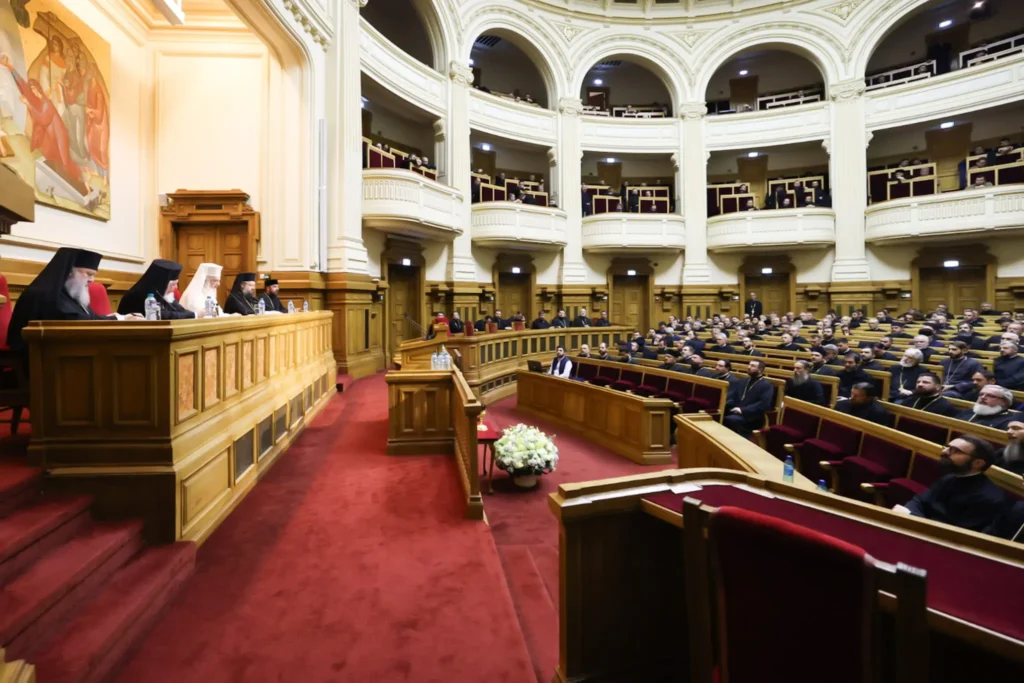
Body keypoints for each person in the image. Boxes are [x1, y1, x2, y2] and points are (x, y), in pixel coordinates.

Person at [8, 247, 141, 352]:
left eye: (93, 275)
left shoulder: (69, 292)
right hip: (40, 357)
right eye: (88, 274)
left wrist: (121, 318)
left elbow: (89, 318)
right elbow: (74, 321)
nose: (92, 280)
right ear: (69, 271)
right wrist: (118, 319)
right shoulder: (45, 293)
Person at [894, 435, 1006, 533]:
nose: (944, 452)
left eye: (955, 451)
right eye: (947, 447)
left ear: (977, 463)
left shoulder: (989, 499)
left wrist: (912, 517)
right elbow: (919, 501)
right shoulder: (949, 478)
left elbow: (957, 535)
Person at [118, 259, 197, 320]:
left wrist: (195, 314)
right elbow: (162, 315)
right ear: (162, 283)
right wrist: (194, 315)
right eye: (173, 284)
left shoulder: (166, 295)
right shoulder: (137, 296)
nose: (176, 287)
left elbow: (180, 311)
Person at [722, 360, 774, 438]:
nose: (749, 367)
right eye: (749, 365)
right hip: (736, 411)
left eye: (752, 366)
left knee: (730, 419)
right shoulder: (743, 381)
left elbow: (763, 404)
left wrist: (742, 410)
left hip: (753, 416)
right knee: (721, 413)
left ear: (760, 369)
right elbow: (733, 396)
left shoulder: (766, 385)